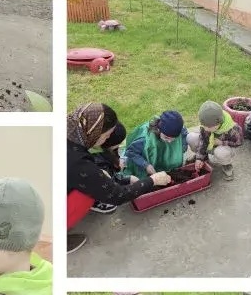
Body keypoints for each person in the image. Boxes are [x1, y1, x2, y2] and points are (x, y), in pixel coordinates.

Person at [66, 103, 173, 254]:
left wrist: (125, 179)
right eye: (107, 135)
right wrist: (153, 180)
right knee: (84, 196)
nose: (108, 138)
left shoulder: (70, 133)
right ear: (94, 131)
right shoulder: (78, 163)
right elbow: (116, 195)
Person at [121, 110, 189, 180]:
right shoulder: (145, 138)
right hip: (144, 165)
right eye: (166, 137)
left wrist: (182, 149)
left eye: (174, 138)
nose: (169, 141)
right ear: (159, 129)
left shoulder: (181, 131)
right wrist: (146, 165)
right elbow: (131, 152)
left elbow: (184, 141)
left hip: (164, 162)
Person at [189, 100, 244, 182]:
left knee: (221, 152)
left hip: (224, 149)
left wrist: (222, 143)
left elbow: (239, 142)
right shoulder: (206, 126)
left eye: (209, 127)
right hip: (211, 146)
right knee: (191, 138)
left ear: (219, 122)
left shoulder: (233, 129)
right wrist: (199, 158)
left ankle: (226, 165)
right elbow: (203, 141)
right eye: (203, 125)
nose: (206, 129)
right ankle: (204, 157)